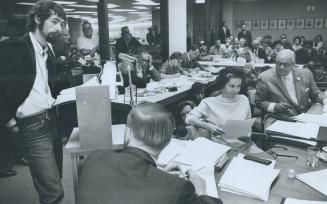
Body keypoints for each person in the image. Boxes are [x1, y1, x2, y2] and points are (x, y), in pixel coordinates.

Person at [76, 102, 223, 204]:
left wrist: (156, 175)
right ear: (168, 141)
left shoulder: (93, 158)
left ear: (127, 132)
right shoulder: (179, 188)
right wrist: (202, 192)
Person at [0, 0, 65, 203]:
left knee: (53, 182)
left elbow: (50, 87)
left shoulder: (49, 52)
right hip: (32, 126)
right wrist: (8, 120)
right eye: (55, 21)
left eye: (62, 24)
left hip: (52, 122)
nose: (60, 28)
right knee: (53, 192)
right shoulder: (15, 48)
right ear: (38, 18)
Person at [255, 49, 327, 130]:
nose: (281, 67)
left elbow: (316, 94)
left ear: (293, 64)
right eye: (278, 63)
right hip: (278, 117)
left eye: (285, 64)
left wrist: (325, 101)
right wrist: (274, 106)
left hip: (304, 115)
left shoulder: (305, 73)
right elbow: (259, 101)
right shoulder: (265, 77)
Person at [186, 67, 251, 138]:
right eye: (232, 86)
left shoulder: (244, 99)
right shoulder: (209, 102)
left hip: (244, 144)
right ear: (222, 86)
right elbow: (189, 118)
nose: (236, 90)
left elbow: (248, 124)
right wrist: (208, 126)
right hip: (222, 146)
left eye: (238, 86)